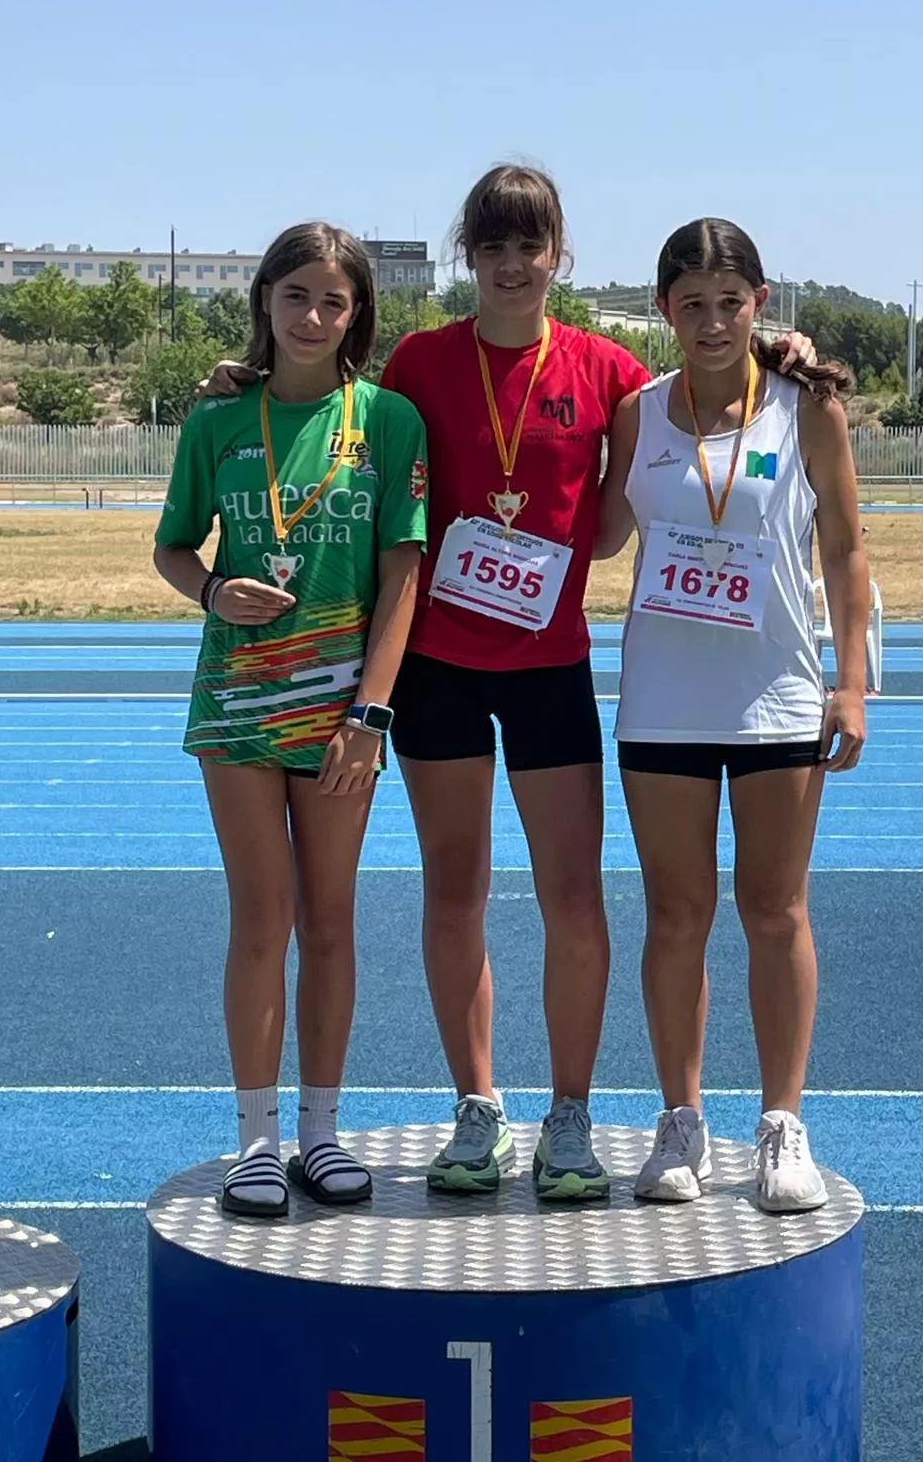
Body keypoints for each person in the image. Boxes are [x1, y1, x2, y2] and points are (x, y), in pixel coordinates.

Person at [202, 167, 814, 1203]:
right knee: (457, 890)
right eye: (493, 245)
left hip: (550, 667)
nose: (513, 263)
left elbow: (704, 372)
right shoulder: (421, 363)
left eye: (531, 246)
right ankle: (478, 1105)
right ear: (470, 256)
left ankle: (568, 1114)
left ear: (558, 256)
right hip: (438, 666)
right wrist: (242, 383)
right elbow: (327, 402)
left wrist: (783, 350)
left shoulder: (609, 369)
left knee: (573, 895)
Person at [153, 221, 428, 1218]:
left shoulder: (389, 421)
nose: (313, 316)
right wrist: (211, 589)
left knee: (332, 920)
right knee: (261, 918)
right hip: (236, 702)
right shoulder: (217, 422)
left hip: (339, 710)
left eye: (334, 301)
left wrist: (371, 712)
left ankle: (321, 1129)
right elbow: (177, 548)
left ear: (357, 316)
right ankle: (257, 1139)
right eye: (295, 295)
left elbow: (404, 574)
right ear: (265, 300)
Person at [596, 217, 868, 1211]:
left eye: (731, 302)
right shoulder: (637, 414)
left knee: (775, 909)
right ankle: (681, 1119)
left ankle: (783, 1121)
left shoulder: (805, 408)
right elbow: (598, 530)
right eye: (692, 304)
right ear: (664, 309)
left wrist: (852, 681)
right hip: (664, 702)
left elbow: (844, 549)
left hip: (779, 696)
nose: (712, 323)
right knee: (675, 915)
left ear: (761, 303)